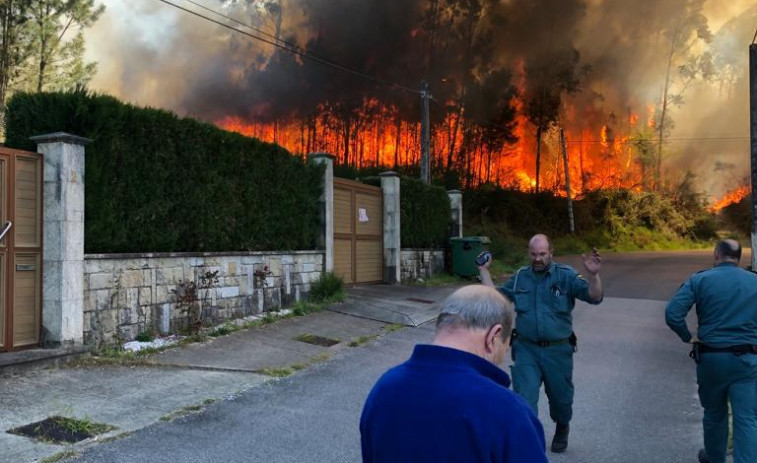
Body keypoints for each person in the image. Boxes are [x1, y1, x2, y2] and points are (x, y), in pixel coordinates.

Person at [359, 285, 548, 463]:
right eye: (505, 346)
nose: (501, 358)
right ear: (493, 336)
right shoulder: (509, 412)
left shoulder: (383, 389)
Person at [478, 233, 603, 453]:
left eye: (542, 254)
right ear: (529, 253)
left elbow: (594, 296)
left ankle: (562, 427)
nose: (538, 258)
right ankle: (529, 444)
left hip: (558, 350)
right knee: (524, 399)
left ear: (551, 253)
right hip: (527, 348)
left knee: (561, 400)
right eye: (534, 254)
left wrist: (593, 276)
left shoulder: (566, 276)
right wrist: (484, 271)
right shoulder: (520, 277)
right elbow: (496, 300)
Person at [665, 239, 757, 463]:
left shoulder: (700, 279)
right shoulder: (754, 281)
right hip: (748, 360)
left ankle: (715, 457)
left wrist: (688, 336)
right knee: (747, 417)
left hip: (712, 358)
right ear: (740, 257)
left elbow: (672, 314)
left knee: (714, 412)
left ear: (716, 255)